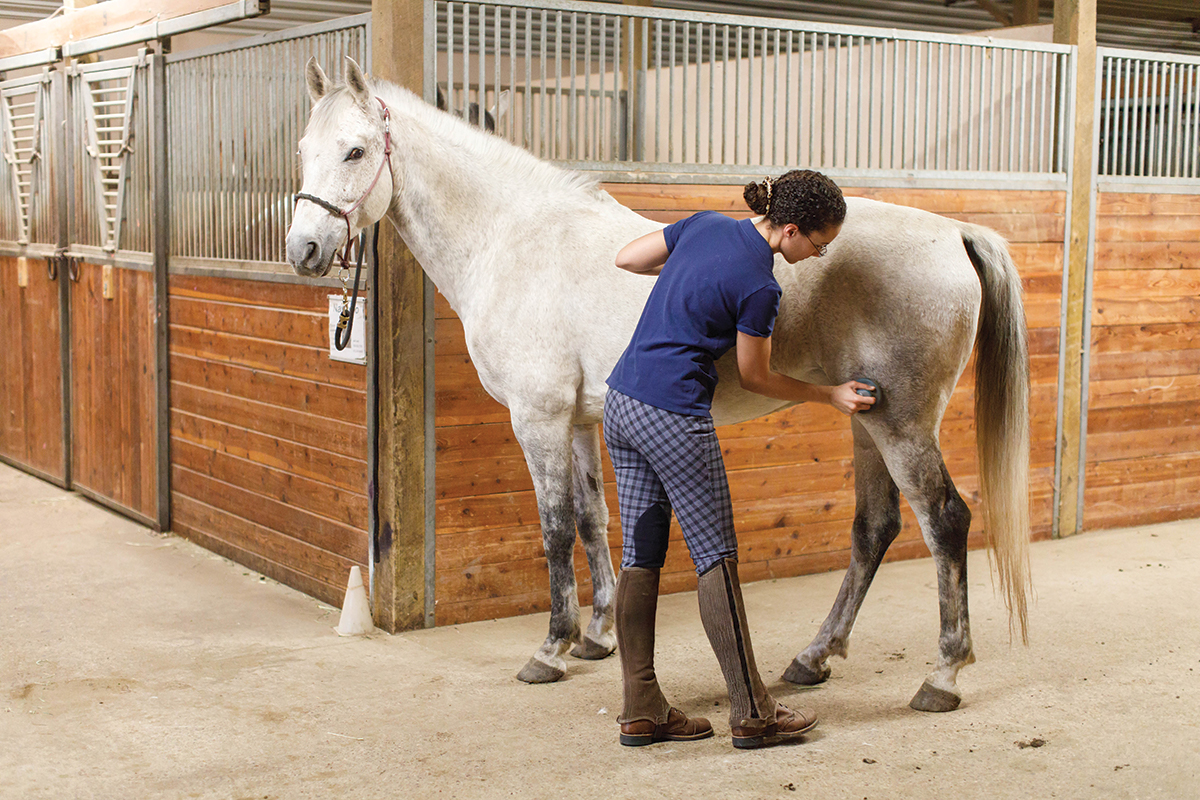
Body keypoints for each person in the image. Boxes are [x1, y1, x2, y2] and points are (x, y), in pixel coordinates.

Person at [603, 169, 876, 750]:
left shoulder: (703, 225)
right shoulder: (760, 286)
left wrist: (686, 274)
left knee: (640, 555)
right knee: (714, 558)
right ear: (792, 231)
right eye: (820, 244)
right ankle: (752, 712)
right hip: (673, 415)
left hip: (622, 403)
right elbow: (755, 376)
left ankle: (641, 707)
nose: (818, 254)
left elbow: (627, 258)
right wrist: (828, 394)